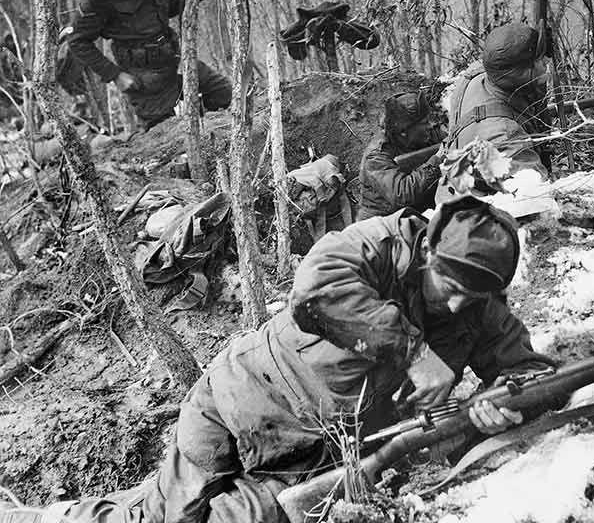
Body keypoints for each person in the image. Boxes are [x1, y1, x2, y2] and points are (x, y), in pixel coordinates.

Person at [8, 197, 553, 523]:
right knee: (168, 518)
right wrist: (412, 350)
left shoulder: (481, 309)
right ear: (430, 252)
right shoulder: (377, 244)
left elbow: (531, 371)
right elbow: (318, 291)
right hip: (237, 406)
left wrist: (499, 401)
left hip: (311, 454)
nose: (456, 304)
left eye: (472, 297)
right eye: (449, 286)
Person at [68, 0, 232, 130]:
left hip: (175, 62)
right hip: (146, 82)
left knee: (225, 94)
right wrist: (115, 75)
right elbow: (78, 41)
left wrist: (185, 0)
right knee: (165, 136)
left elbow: (157, 15)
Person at [436, 23, 551, 202]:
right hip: (470, 216)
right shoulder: (503, 134)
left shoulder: (475, 75)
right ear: (519, 75)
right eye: (539, 60)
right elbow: (537, 197)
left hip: (458, 185)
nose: (546, 62)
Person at [358, 91, 443, 220]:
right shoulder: (376, 156)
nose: (430, 126)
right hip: (382, 221)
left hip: (415, 211)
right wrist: (435, 162)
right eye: (424, 122)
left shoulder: (423, 135)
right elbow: (401, 194)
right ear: (404, 131)